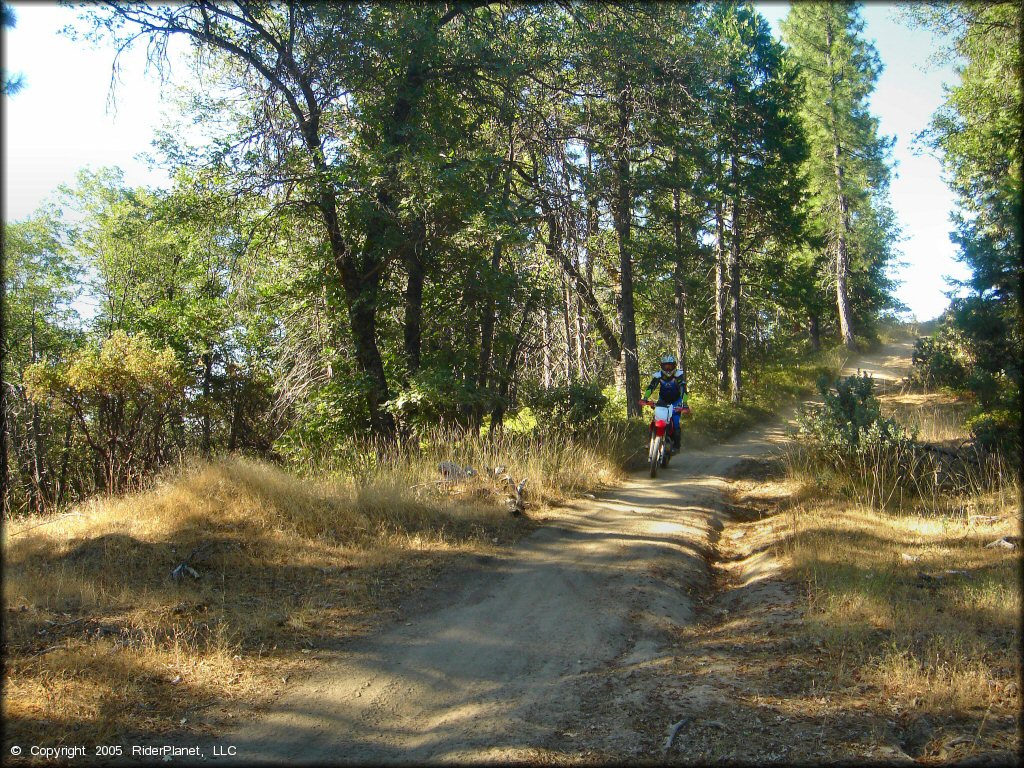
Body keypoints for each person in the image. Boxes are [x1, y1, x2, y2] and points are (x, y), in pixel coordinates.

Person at [642, 354, 689, 450]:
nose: (668, 369)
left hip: (676, 401)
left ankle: (676, 445)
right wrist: (645, 398)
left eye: (670, 366)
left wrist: (685, 404)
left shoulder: (678, 375)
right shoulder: (658, 376)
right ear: (662, 366)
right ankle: (650, 441)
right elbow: (651, 387)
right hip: (662, 400)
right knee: (656, 419)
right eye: (666, 366)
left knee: (675, 422)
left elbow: (683, 390)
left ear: (674, 366)